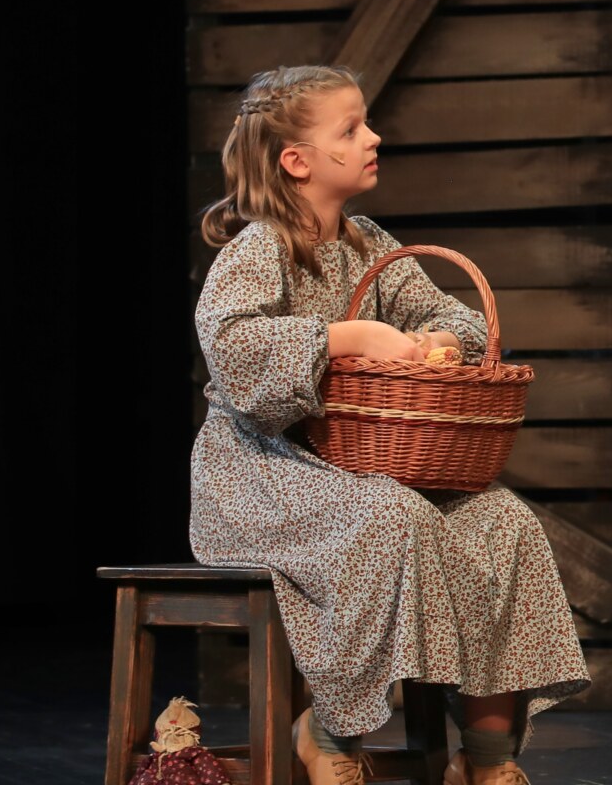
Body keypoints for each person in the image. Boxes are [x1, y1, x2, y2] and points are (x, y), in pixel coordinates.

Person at [191, 65, 587, 785]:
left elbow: (462, 321)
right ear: (297, 161)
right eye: (351, 129)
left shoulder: (369, 243)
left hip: (357, 470)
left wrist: (439, 338)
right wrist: (346, 338)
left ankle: (488, 758)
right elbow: (233, 348)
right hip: (260, 477)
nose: (373, 137)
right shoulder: (260, 247)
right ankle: (330, 731)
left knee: (502, 522)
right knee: (389, 519)